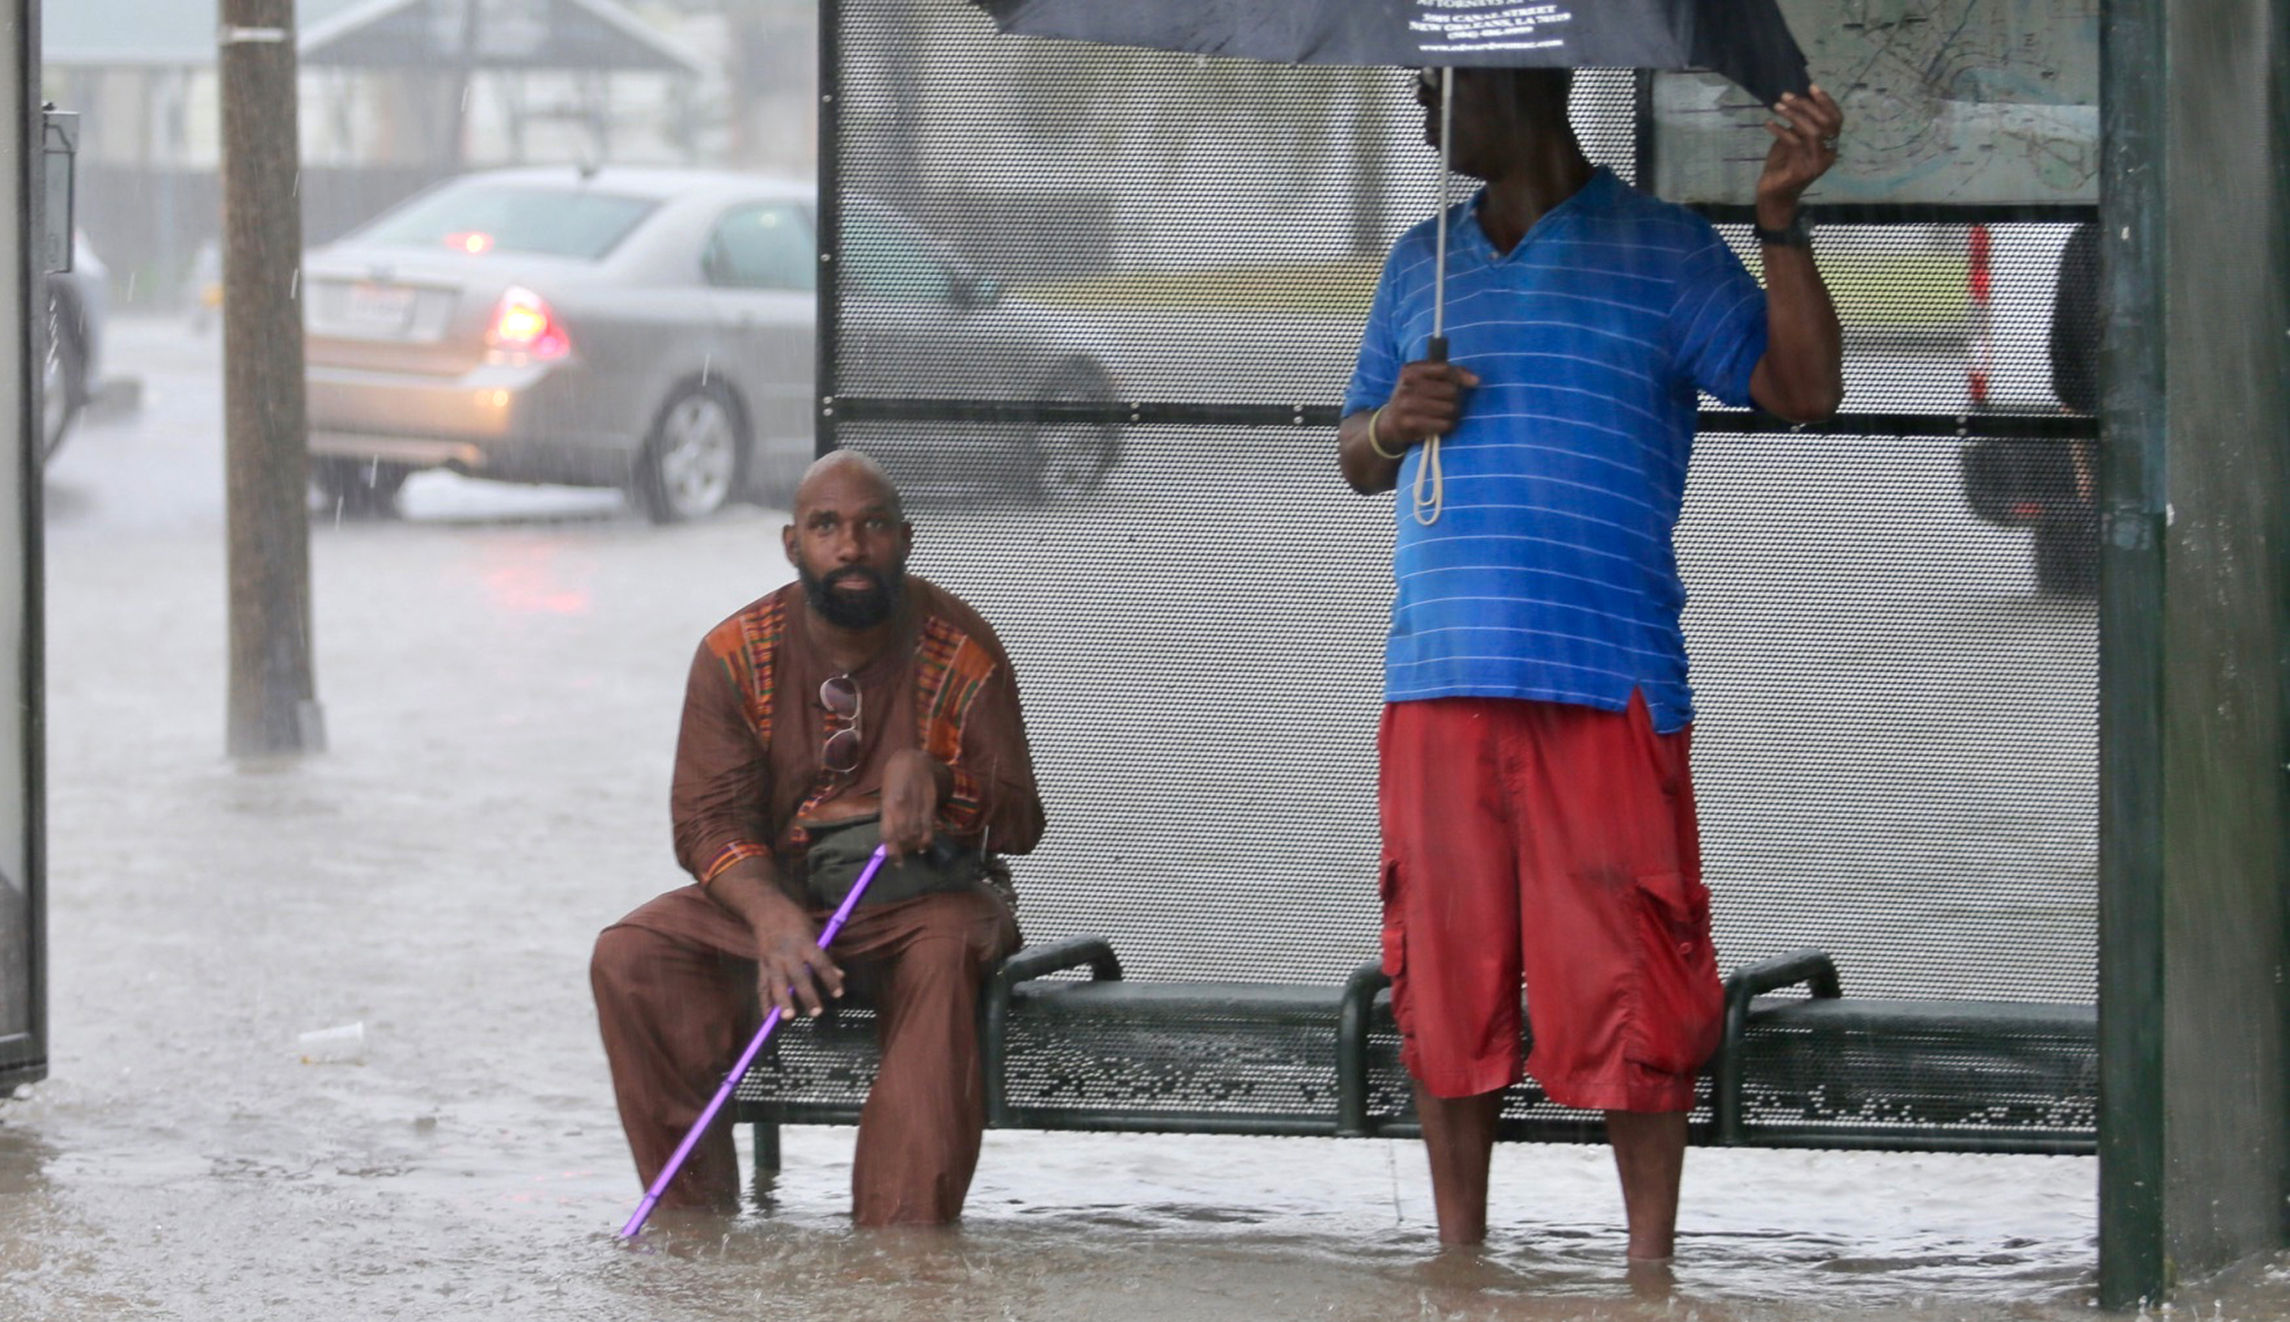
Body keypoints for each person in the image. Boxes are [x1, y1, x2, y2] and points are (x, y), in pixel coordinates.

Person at [1337, 68, 1845, 1261]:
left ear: (1522, 84)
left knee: (1633, 984)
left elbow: (1805, 390)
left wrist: (1778, 222)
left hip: (1605, 683)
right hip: (1438, 681)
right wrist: (1391, 424)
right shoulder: (1422, 261)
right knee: (1446, 986)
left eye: (1435, 88)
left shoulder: (1664, 251)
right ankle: (1458, 1264)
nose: (1420, 109)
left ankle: (1646, 1273)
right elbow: (1356, 456)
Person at [591, 450, 1044, 1227]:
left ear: (906, 540)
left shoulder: (965, 647)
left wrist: (936, 780)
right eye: (826, 526)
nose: (851, 546)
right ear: (791, 544)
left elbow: (1021, 819)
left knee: (943, 953)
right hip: (784, 904)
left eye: (872, 526)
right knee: (632, 955)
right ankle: (693, 1240)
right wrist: (771, 917)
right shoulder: (734, 653)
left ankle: (899, 1259)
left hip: (926, 906)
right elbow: (707, 821)